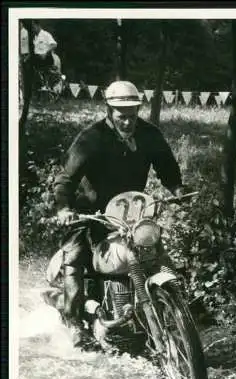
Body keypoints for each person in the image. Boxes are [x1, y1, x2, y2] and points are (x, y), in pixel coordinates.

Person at [52, 80, 188, 346]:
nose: (127, 122)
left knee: (158, 256)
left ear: (139, 110)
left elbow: (168, 169)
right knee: (75, 260)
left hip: (131, 214)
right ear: (108, 110)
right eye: (121, 116)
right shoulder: (91, 137)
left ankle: (180, 314)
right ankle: (73, 320)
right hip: (90, 214)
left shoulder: (150, 135)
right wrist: (64, 208)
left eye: (132, 115)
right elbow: (66, 178)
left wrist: (178, 189)